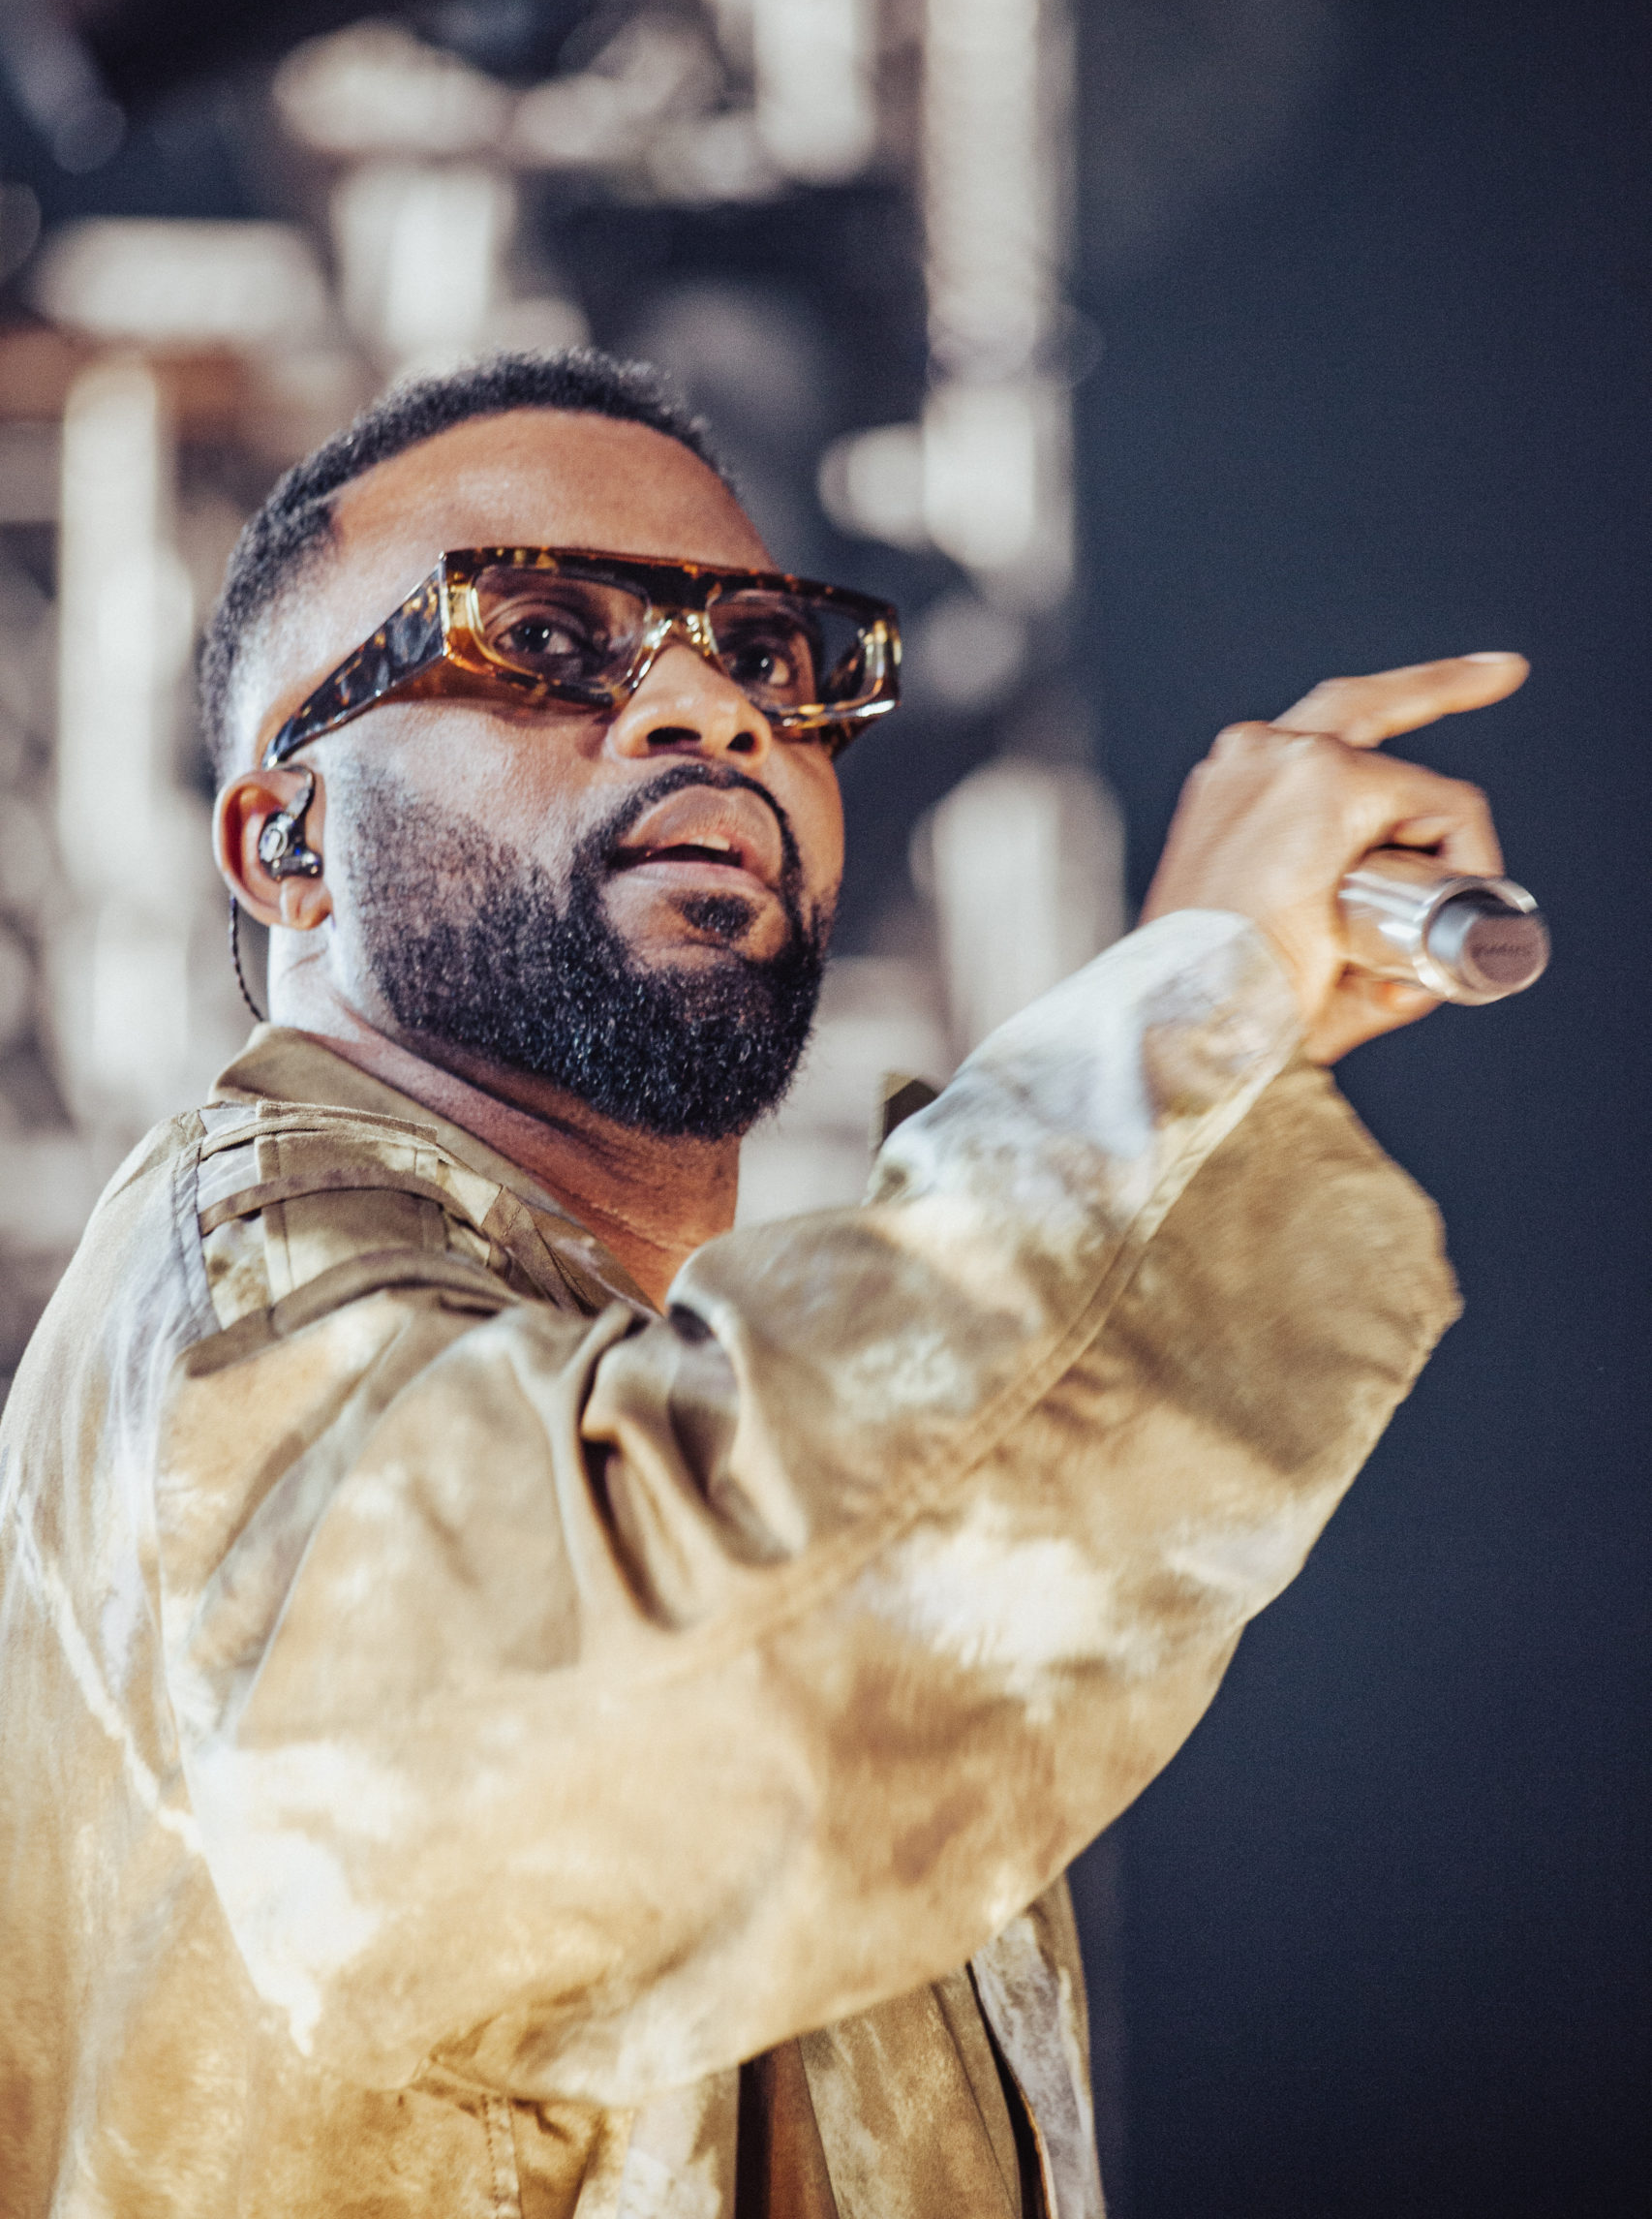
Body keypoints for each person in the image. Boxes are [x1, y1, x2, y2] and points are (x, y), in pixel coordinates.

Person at [0, 350, 1525, 2218]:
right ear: (288, 844)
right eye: (542, 636)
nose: (707, 703)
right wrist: (1167, 1031)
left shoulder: (644, 1372)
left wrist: (1208, 1099)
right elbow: (569, 1759)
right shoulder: (238, 1280)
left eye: (767, 655)